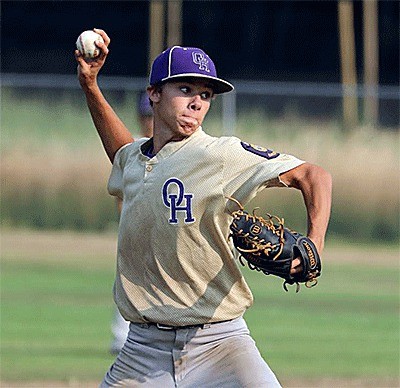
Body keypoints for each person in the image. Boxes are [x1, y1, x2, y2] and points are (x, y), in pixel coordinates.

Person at [76, 29, 332, 387]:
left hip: (221, 343)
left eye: (206, 94)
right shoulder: (133, 159)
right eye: (185, 90)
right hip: (142, 351)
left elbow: (313, 175)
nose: (197, 102)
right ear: (154, 95)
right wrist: (90, 85)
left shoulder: (221, 155)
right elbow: (123, 154)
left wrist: (315, 242)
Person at [109, 91, 154, 355]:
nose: (150, 121)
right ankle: (120, 338)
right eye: (146, 116)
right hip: (136, 229)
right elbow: (120, 194)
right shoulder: (131, 148)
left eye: (152, 115)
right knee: (128, 281)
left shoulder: (179, 149)